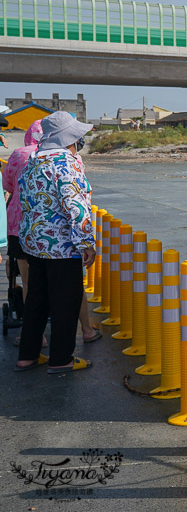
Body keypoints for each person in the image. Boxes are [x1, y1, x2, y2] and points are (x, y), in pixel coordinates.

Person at [14, 112, 96, 373]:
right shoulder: (66, 163)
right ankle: (61, 359)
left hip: (33, 242)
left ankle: (27, 355)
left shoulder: (33, 161)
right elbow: (76, 205)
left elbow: (24, 200)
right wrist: (86, 242)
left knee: (37, 299)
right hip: (61, 246)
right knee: (65, 301)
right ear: (69, 138)